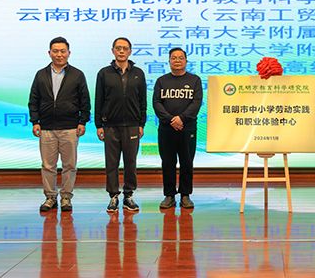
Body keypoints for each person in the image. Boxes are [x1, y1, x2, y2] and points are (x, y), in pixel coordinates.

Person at [28, 36, 90, 212]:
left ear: (69, 53)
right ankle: (50, 197)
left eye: (63, 51)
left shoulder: (77, 74)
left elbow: (85, 101)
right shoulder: (41, 74)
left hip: (70, 127)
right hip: (46, 127)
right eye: (55, 51)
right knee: (48, 165)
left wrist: (82, 121)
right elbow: (34, 100)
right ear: (49, 53)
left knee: (69, 165)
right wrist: (35, 121)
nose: (59, 54)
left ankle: (66, 197)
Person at [95, 37, 147, 213]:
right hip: (110, 125)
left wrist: (141, 123)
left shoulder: (138, 73)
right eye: (118, 48)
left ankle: (128, 195)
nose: (121, 51)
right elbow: (99, 100)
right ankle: (113, 196)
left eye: (125, 48)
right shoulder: (104, 73)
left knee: (130, 162)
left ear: (130, 51)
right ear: (113, 51)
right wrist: (99, 125)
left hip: (132, 125)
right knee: (111, 163)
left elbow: (142, 101)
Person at [153, 48, 202, 209]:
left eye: (181, 58)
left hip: (187, 128)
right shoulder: (161, 81)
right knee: (168, 162)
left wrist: (181, 118)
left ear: (186, 61)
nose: (177, 60)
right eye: (174, 58)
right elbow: (156, 103)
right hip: (166, 129)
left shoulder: (195, 80)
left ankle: (185, 195)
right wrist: (170, 120)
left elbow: (196, 103)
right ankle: (169, 195)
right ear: (169, 61)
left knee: (187, 161)